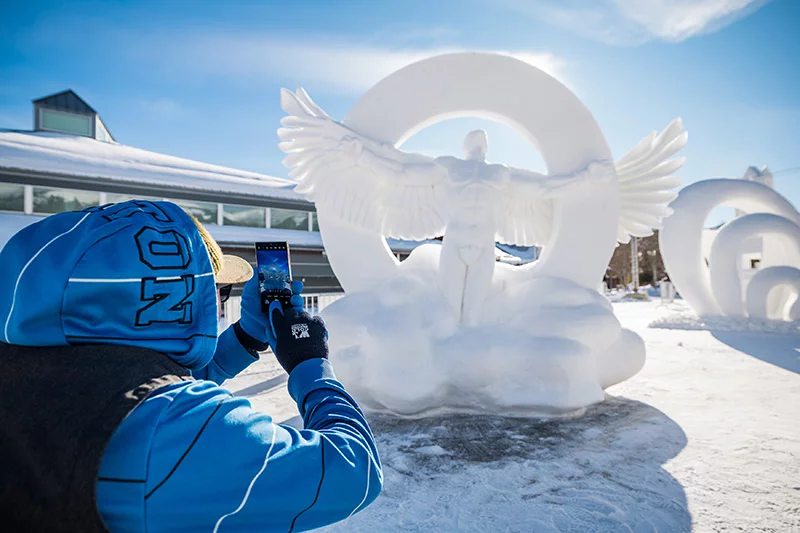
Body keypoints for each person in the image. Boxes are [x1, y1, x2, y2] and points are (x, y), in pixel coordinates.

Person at [0, 200, 383, 532]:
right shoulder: (174, 427)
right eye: (217, 290)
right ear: (169, 298)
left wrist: (246, 337)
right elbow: (353, 471)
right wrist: (310, 363)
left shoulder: (26, 368)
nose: (218, 303)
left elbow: (126, 385)